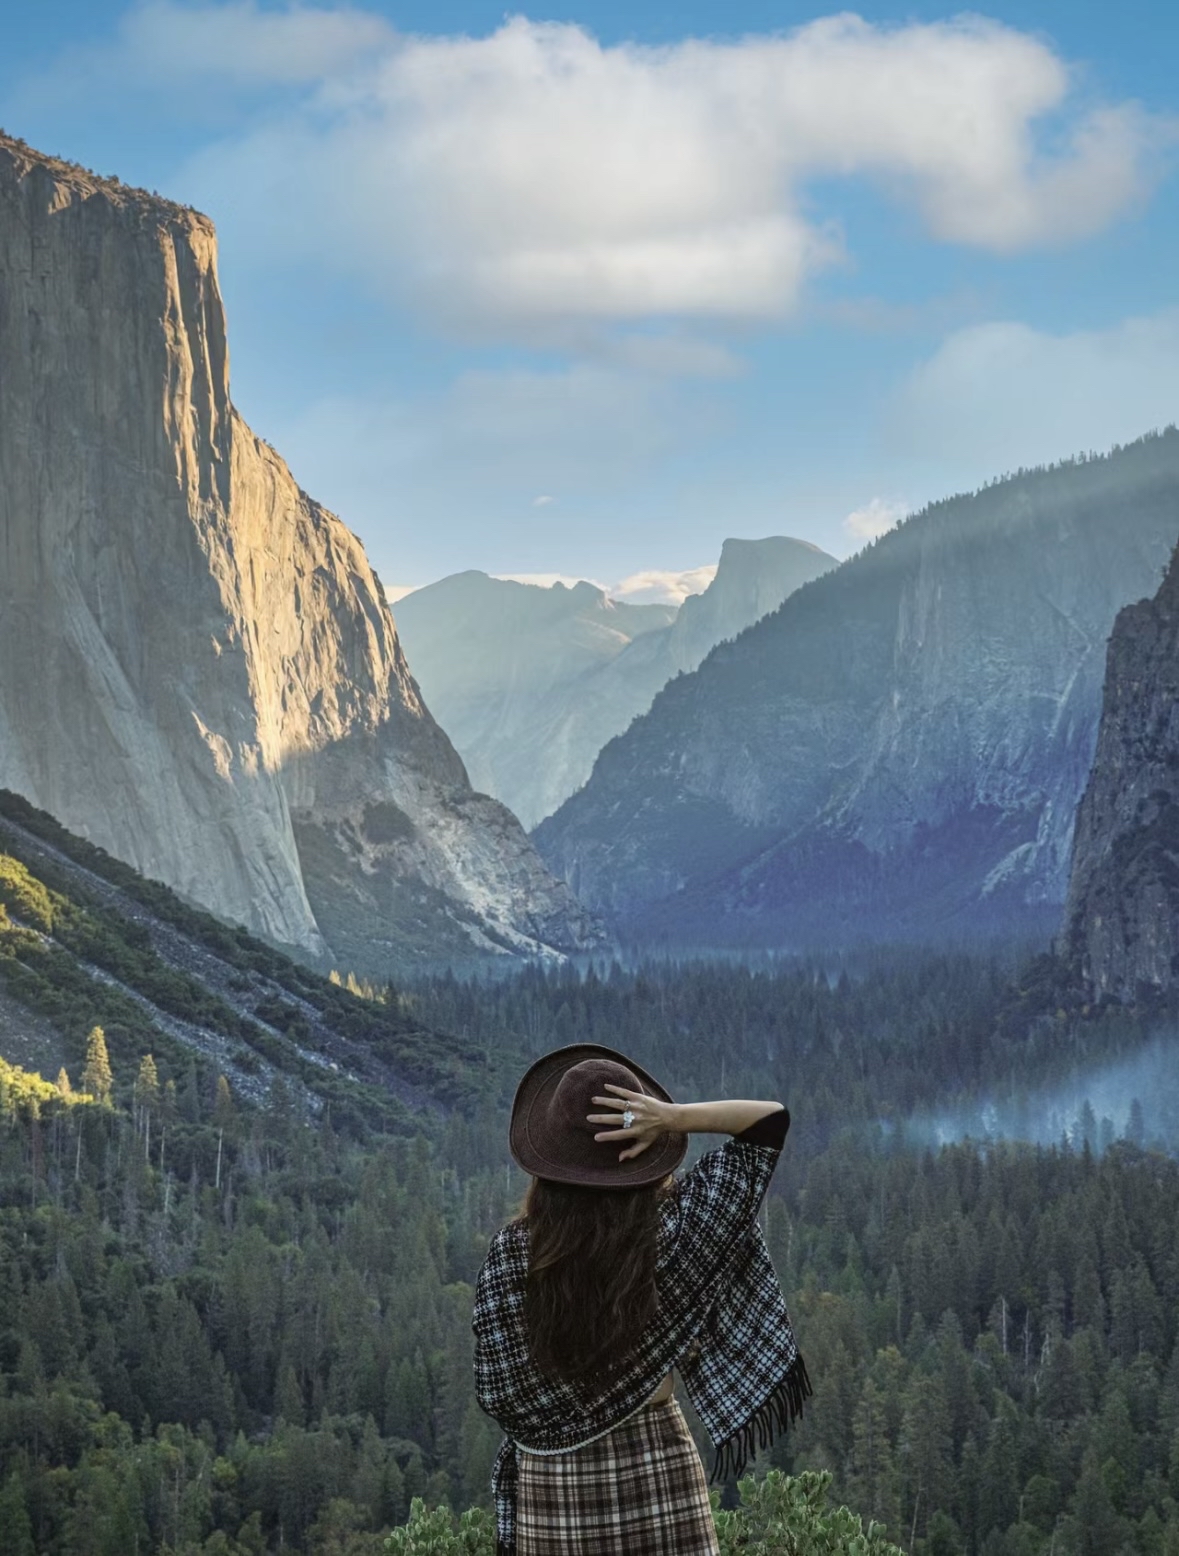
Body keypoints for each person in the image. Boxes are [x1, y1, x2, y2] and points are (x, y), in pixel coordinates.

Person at [473, 1042, 810, 1556]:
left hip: (550, 1481)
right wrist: (673, 1119)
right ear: (640, 1151)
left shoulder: (513, 1254)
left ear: (548, 1158)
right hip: (657, 1462)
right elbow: (769, 1122)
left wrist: (561, 1419)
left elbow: (497, 1392)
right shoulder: (673, 1234)